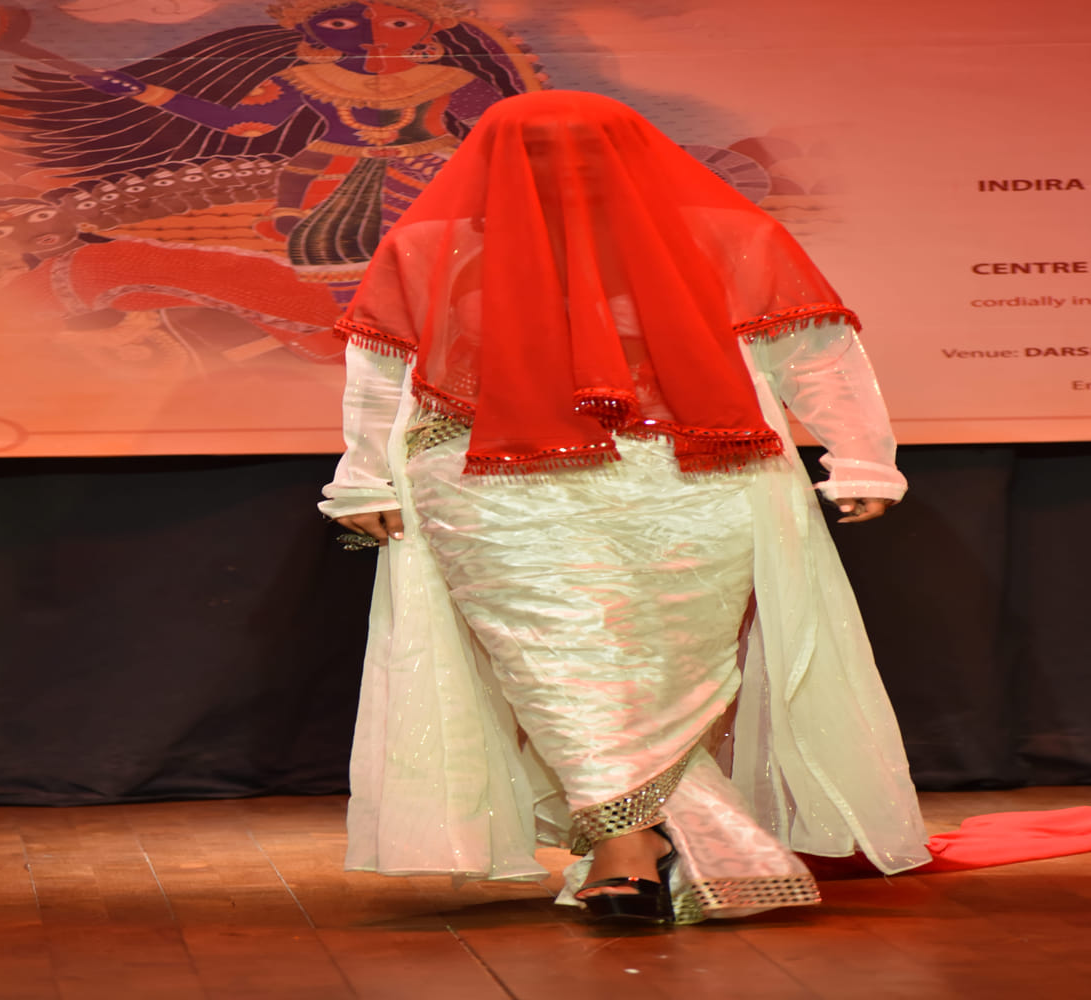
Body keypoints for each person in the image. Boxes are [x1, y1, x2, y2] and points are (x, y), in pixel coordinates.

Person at [318, 89, 931, 925]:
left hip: (692, 480)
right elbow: (381, 373)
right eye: (532, 155)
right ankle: (629, 848)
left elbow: (816, 353)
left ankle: (652, 842)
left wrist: (861, 458)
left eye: (581, 152)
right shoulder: (433, 245)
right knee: (551, 661)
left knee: (672, 673)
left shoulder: (725, 236)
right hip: (493, 487)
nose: (557, 171)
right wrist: (363, 477)